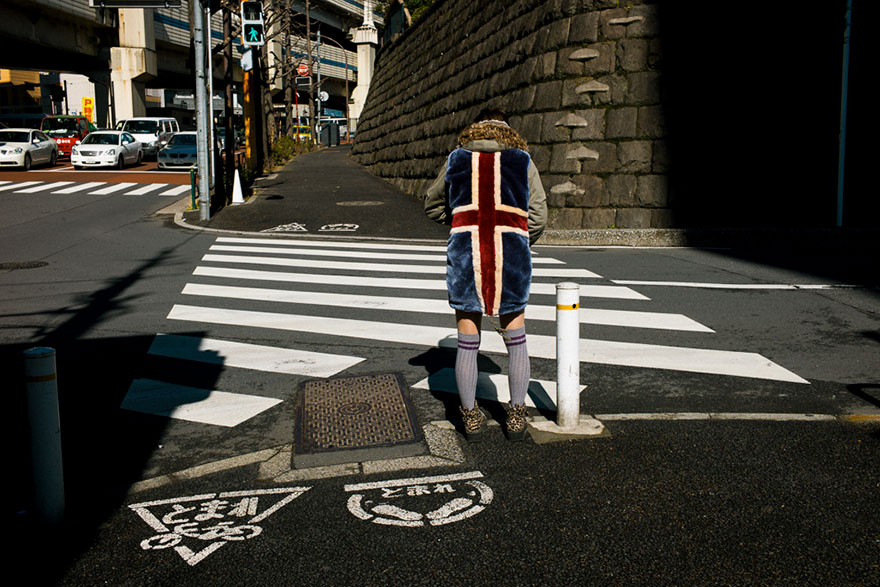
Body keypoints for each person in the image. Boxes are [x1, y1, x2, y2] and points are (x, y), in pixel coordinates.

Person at [424, 109, 547, 441]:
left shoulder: (457, 159)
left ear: (475, 128)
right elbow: (538, 214)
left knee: (467, 340)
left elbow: (431, 204)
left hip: (467, 255)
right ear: (508, 129)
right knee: (516, 339)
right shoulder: (522, 160)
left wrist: (461, 223)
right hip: (511, 255)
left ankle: (470, 417)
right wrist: (521, 239)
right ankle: (517, 415)